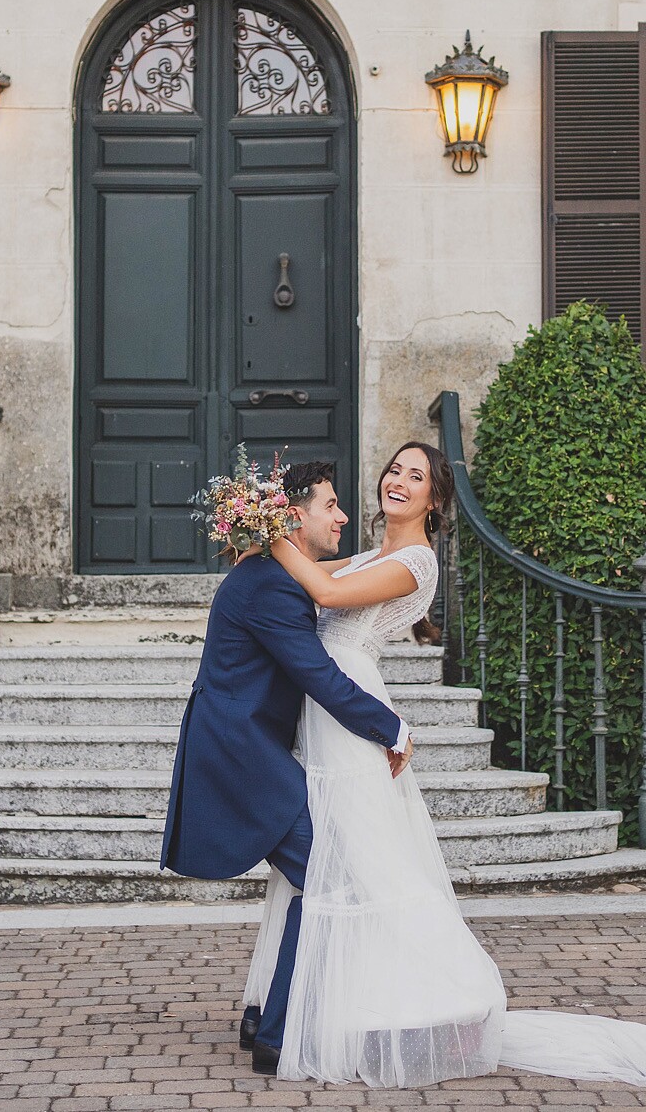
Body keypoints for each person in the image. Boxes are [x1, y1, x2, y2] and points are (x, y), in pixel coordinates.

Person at [242, 442, 646, 1090]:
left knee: (359, 853)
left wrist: (263, 522)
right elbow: (305, 579)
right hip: (324, 705)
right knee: (325, 852)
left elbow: (319, 586)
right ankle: (303, 1004)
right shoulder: (371, 551)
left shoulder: (417, 561)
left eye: (416, 475)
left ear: (436, 498)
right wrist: (261, 540)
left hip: (350, 704)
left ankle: (396, 998)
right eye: (395, 469)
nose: (399, 480)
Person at [158, 461, 415, 1077]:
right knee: (334, 881)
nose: (343, 518)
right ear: (295, 517)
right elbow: (317, 676)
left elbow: (336, 580)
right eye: (331, 506)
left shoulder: (270, 573)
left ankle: (263, 1021)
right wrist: (391, 726)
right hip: (242, 756)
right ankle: (276, 1035)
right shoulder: (270, 584)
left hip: (251, 750)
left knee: (322, 879)